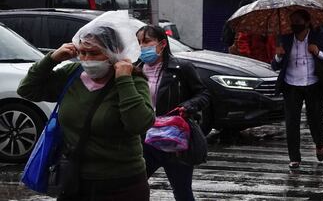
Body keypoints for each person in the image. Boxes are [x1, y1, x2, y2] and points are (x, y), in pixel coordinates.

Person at [17, 11, 155, 201]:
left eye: (94, 53)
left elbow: (139, 124)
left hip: (121, 184)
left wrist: (123, 79)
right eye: (82, 52)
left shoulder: (132, 81)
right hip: (75, 180)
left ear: (113, 52)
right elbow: (27, 90)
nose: (87, 59)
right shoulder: (72, 74)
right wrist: (52, 59)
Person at [135, 25, 211, 201]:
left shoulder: (181, 68)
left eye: (147, 41)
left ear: (162, 44)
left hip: (174, 139)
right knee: (133, 188)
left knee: (182, 191)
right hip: (144, 140)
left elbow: (204, 94)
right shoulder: (134, 69)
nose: (142, 47)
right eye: (139, 42)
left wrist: (189, 105)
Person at [271, 9, 323, 169]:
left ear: (307, 22)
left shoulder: (318, 35)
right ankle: (294, 158)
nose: (295, 24)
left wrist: (319, 52)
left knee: (315, 120)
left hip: (314, 84)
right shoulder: (286, 38)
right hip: (291, 85)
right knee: (291, 122)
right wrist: (278, 56)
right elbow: (275, 65)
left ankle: (320, 144)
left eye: (298, 21)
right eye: (292, 21)